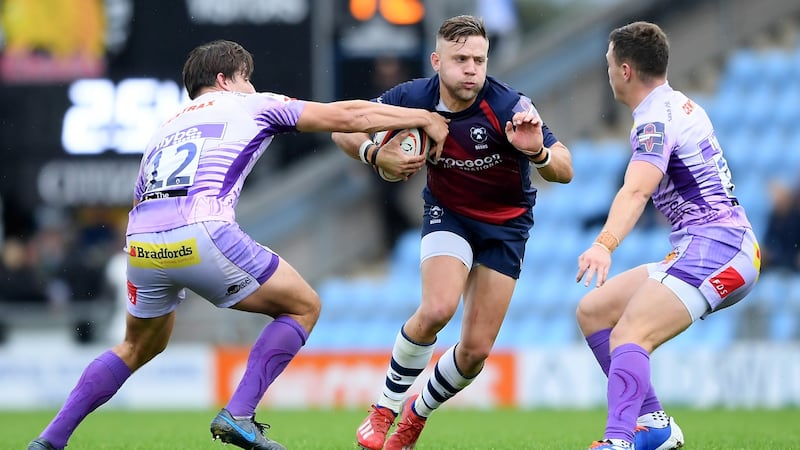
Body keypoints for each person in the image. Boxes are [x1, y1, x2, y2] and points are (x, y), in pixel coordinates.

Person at [26, 39, 448, 450]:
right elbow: (348, 115)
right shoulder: (250, 103)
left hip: (141, 242)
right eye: (248, 80)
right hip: (202, 230)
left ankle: (51, 439)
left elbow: (141, 195)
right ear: (226, 78)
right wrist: (422, 117)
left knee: (138, 344)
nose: (253, 87)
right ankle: (239, 414)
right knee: (303, 306)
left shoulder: (164, 128)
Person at [332, 15, 573, 450]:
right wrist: (374, 154)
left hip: (505, 227)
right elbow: (342, 127)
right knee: (438, 307)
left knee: (476, 351)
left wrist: (536, 151)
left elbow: (565, 168)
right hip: (450, 214)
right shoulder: (411, 98)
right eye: (460, 59)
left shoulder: (508, 107)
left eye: (479, 59)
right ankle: (384, 409)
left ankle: (415, 415)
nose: (471, 69)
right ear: (436, 60)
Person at [575, 22, 761, 450]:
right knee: (594, 311)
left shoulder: (656, 120)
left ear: (624, 70)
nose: (607, 72)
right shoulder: (679, 104)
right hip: (718, 245)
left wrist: (604, 244)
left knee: (629, 334)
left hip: (719, 246)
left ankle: (618, 441)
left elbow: (638, 188)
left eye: (607, 64)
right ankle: (653, 424)